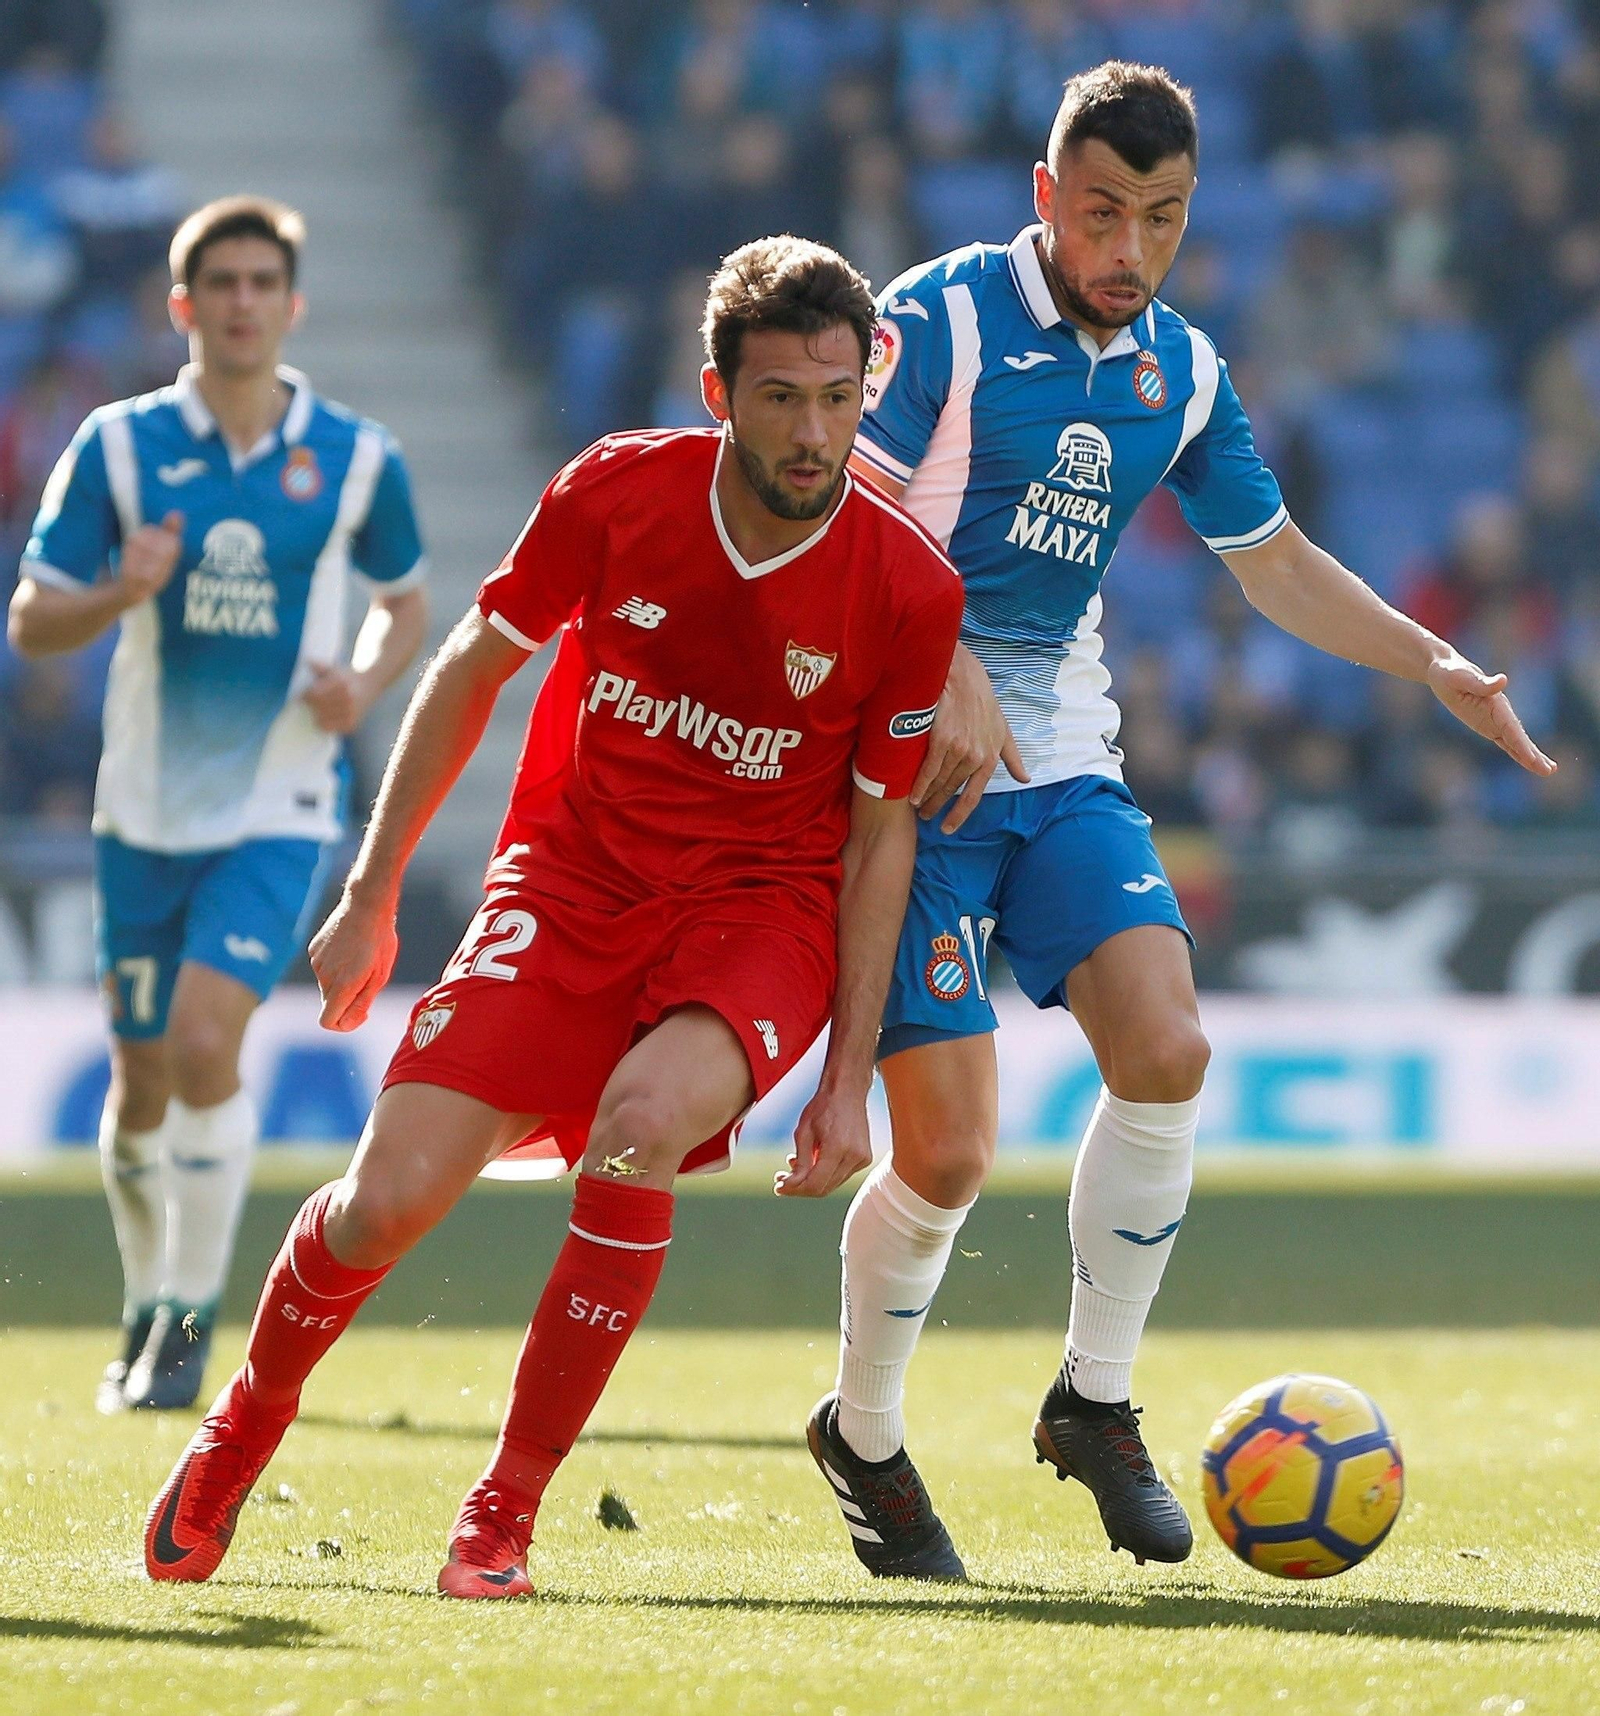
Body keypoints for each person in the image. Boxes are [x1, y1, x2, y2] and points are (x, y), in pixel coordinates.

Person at [810, 60, 1554, 1580]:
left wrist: (1429, 663)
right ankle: (863, 1434)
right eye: (1099, 213)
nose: (1127, 247)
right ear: (1044, 198)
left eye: (1158, 217)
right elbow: (833, 512)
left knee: (1168, 1051)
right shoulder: (939, 319)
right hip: (908, 780)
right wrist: (941, 658)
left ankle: (1093, 1401)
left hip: (1065, 761)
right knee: (947, 1157)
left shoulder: (1183, 369)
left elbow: (1270, 558)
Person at [141, 236, 964, 1600]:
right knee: (384, 1203)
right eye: (780, 398)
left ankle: (501, 1515)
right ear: (719, 393)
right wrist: (372, 890)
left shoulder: (908, 588)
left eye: (837, 398)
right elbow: (472, 667)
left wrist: (847, 1077)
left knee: (641, 1131)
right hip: (571, 880)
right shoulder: (616, 490)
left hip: (757, 915)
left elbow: (881, 838)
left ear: (867, 387)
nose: (813, 433)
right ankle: (240, 1429)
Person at [7, 195, 429, 1413]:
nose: (243, 303)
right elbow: (33, 620)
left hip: (279, 803)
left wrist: (363, 681)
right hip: (140, 811)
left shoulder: (353, 455)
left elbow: (405, 603)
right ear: (183, 306)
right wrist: (116, 592)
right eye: (222, 284)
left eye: (262, 283)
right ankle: (147, 1302)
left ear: (291, 305)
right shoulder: (120, 447)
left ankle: (190, 1324)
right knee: (141, 1086)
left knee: (204, 1043)